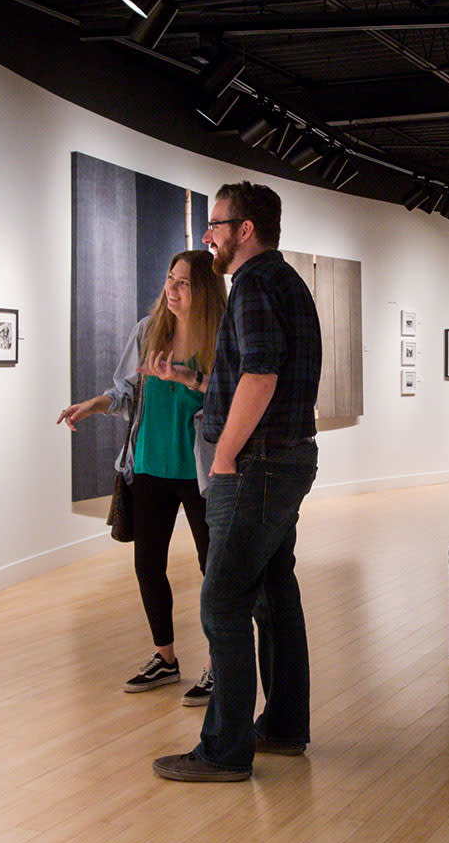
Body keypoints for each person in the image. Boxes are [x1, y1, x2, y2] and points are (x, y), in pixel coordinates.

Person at [153, 181, 321, 782]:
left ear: (244, 229)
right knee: (275, 591)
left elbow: (261, 374)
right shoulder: (287, 282)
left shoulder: (251, 286)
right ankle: (282, 725)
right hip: (286, 459)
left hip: (256, 467)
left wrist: (224, 457)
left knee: (222, 600)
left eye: (216, 224)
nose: (207, 236)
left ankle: (224, 750)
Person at [59, 250, 227, 704]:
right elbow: (126, 392)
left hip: (201, 472)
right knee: (147, 565)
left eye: (184, 284)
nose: (171, 290)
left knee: (212, 569)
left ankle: (217, 665)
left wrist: (189, 377)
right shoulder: (148, 330)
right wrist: (93, 405)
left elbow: (232, 394)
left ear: (205, 290)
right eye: (170, 279)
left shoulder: (220, 335)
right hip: (150, 464)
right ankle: (165, 658)